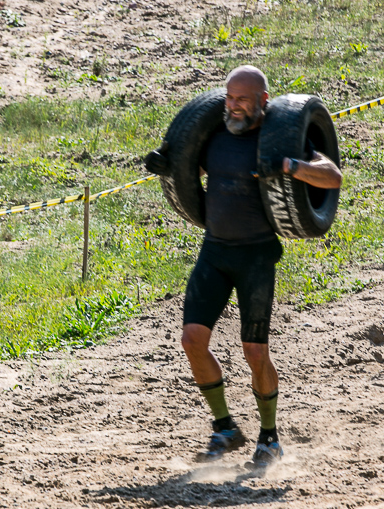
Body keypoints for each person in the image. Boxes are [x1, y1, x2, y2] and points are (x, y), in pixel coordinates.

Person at [145, 65, 342, 469]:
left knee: (255, 352)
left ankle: (269, 439)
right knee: (192, 340)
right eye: (229, 98)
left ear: (263, 102)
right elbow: (195, 169)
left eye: (242, 100)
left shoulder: (278, 138)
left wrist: (289, 166)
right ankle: (225, 429)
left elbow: (332, 177)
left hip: (256, 257)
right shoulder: (215, 135)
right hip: (215, 252)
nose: (233, 107)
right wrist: (169, 164)